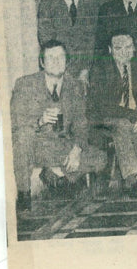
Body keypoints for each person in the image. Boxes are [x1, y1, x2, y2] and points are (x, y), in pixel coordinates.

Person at [10, 40, 107, 211]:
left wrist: (76, 150)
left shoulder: (74, 85)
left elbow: (80, 124)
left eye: (61, 57)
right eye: (51, 58)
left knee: (101, 159)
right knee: (23, 136)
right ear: (42, 63)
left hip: (61, 145)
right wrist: (40, 121)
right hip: (36, 145)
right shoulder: (25, 84)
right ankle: (25, 193)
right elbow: (16, 122)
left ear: (67, 61)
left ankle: (56, 173)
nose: (56, 62)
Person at [87, 32, 137, 192]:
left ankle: (132, 174)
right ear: (110, 50)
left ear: (134, 48)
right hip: (106, 117)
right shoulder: (100, 68)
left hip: (134, 116)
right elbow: (103, 106)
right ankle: (132, 180)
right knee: (122, 126)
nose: (124, 51)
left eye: (128, 47)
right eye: (118, 48)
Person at [36, 0, 98, 84]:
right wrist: (63, 69)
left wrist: (85, 70)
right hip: (56, 68)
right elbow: (46, 38)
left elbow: (93, 39)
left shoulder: (91, 3)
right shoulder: (47, 3)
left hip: (85, 71)